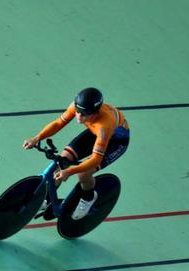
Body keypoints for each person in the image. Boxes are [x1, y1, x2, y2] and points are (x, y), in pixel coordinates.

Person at [23, 87, 130, 220]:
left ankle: (88, 198)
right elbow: (58, 123)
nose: (79, 116)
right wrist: (37, 137)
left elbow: (96, 159)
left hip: (115, 142)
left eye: (84, 114)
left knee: (84, 172)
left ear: (95, 113)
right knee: (61, 161)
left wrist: (70, 171)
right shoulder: (77, 107)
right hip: (93, 133)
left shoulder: (104, 125)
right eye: (78, 112)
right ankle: (47, 199)